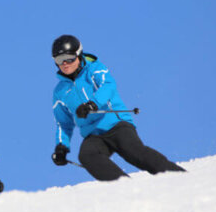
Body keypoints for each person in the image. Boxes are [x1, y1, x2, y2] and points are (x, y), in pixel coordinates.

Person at [51, 35, 186, 180]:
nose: (65, 63)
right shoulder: (60, 92)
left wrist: (93, 103)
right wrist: (61, 147)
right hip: (93, 135)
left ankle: (177, 176)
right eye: (59, 60)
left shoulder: (94, 69)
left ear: (79, 54)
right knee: (87, 155)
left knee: (133, 152)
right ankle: (123, 186)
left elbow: (108, 86)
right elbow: (63, 123)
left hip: (116, 124)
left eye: (69, 58)